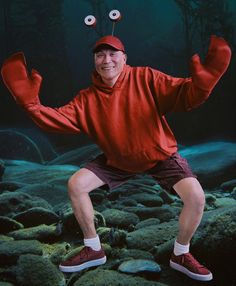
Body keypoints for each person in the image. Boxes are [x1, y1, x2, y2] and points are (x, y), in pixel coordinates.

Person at [1, 34, 231, 281]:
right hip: (117, 160)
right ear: (94, 61)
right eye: (100, 55)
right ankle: (93, 248)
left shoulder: (146, 77)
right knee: (76, 184)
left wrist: (202, 86)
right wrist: (31, 105)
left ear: (124, 58)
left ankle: (180, 253)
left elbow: (185, 95)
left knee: (196, 197)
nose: (106, 60)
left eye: (112, 54)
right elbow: (57, 120)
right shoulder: (87, 98)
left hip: (159, 154)